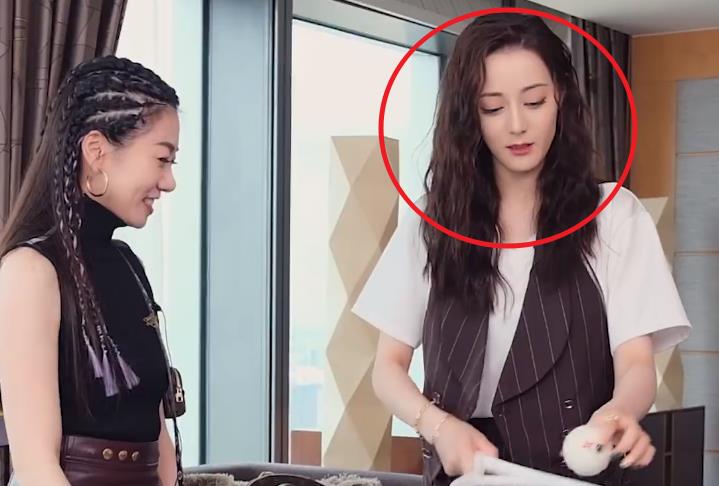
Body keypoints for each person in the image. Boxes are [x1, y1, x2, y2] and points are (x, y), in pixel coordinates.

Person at [352, 14, 690, 486]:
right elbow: (387, 369)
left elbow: (635, 362)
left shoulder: (613, 215)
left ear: (561, 97)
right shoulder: (431, 221)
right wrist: (440, 427)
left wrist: (617, 413)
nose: (517, 125)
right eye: (492, 108)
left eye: (534, 102)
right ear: (469, 116)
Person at [0, 55, 181, 486]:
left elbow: (157, 436)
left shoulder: (128, 266)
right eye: (162, 159)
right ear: (97, 152)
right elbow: (36, 467)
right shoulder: (30, 272)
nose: (169, 181)